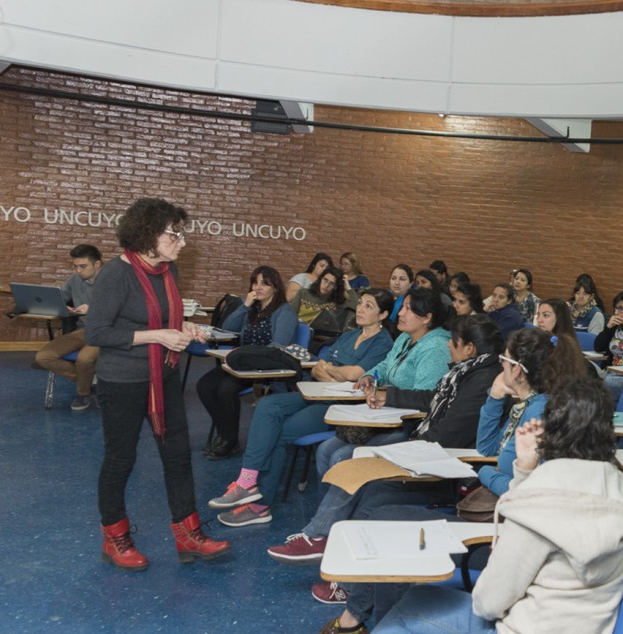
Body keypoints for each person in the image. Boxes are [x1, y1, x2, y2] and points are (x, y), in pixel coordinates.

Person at [241, 377, 623, 634]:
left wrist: (524, 484)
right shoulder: (618, 490)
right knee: (419, 600)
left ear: (551, 431)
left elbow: (490, 602)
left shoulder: (541, 504)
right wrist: (526, 474)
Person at [289, 327, 577, 634]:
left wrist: (485, 474)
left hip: (504, 531)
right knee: (381, 514)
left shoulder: (538, 413)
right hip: (489, 509)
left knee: (388, 526)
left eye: (504, 361)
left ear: (517, 369)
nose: (499, 366)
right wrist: (494, 399)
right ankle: (356, 628)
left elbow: (521, 487)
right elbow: (487, 448)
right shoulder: (522, 405)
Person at [266, 314, 502, 565]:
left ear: (469, 348)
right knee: (343, 459)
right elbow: (432, 399)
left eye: (453, 342)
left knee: (352, 463)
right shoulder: (466, 371)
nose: (447, 345)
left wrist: (402, 449)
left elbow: (449, 433)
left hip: (438, 460)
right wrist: (388, 397)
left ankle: (320, 537)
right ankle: (327, 538)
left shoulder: (482, 380)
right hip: (425, 445)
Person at [84, 197, 230, 571]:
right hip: (123, 382)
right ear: (148, 234)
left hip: (162, 375)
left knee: (178, 456)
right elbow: (97, 331)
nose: (182, 241)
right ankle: (115, 538)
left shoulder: (168, 271)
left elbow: (164, 321)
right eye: (174, 234)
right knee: (121, 459)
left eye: (182, 233)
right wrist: (158, 336)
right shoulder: (116, 274)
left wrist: (183, 329)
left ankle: (189, 535)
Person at [206, 288, 400, 527]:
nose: (360, 309)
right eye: (360, 303)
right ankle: (247, 481)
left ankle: (260, 506)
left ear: (383, 314)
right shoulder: (350, 336)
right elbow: (319, 366)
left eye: (369, 306)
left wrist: (332, 371)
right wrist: (333, 375)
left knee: (280, 431)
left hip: (341, 405)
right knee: (267, 405)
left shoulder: (383, 343)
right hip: (317, 392)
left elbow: (355, 375)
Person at [196, 265, 299, 460]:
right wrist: (245, 306)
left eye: (264, 284)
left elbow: (278, 346)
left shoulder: (284, 311)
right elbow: (227, 329)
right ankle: (225, 432)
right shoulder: (254, 308)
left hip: (265, 364)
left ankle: (229, 440)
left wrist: (251, 356)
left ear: (275, 288)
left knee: (225, 389)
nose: (258, 287)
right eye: (255, 282)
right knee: (205, 385)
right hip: (243, 361)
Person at [34, 243, 103, 411]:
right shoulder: (75, 279)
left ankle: (83, 393)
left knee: (84, 359)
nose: (78, 270)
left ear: (97, 264)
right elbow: (62, 297)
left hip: (103, 332)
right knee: (43, 357)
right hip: (81, 330)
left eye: (83, 266)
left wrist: (92, 307)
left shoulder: (113, 280)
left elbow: (122, 308)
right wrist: (61, 307)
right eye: (76, 266)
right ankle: (89, 381)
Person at [534, 297, 594, 377]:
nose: (539, 320)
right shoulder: (535, 341)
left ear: (559, 318)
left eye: (545, 315)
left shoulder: (566, 347)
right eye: (538, 315)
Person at [290, 266, 358, 330]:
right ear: (320, 279)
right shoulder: (303, 293)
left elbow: (356, 306)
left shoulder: (337, 301)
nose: (326, 285)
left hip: (322, 336)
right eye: (325, 280)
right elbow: (291, 315)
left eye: (331, 283)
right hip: (299, 330)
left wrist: (347, 286)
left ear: (335, 286)